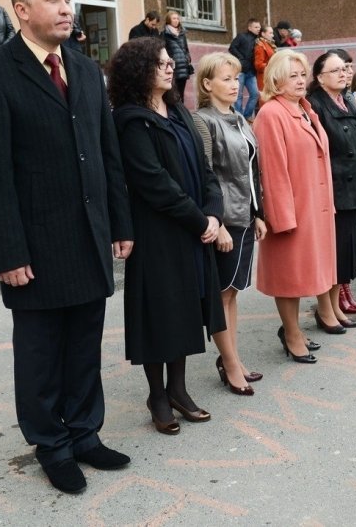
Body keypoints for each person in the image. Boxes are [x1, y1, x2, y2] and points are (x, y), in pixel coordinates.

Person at [0, 0, 134, 494]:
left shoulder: (84, 70)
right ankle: (52, 446)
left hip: (88, 236)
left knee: (84, 344)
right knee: (40, 355)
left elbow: (108, 154)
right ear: (22, 10)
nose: (67, 8)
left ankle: (84, 434)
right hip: (34, 245)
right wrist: (7, 252)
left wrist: (120, 222)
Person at [109, 38, 226, 434]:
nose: (168, 66)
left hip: (193, 229)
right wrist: (200, 221)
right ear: (138, 70)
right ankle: (157, 394)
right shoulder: (130, 120)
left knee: (187, 310)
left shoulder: (178, 112)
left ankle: (179, 388)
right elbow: (153, 183)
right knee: (160, 314)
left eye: (168, 61)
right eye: (159, 62)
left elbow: (205, 168)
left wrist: (213, 213)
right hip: (158, 233)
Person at [253, 49, 336, 363]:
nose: (301, 81)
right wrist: (283, 218)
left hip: (314, 207)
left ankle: (296, 331)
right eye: (294, 76)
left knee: (305, 273)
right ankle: (290, 333)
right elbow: (271, 171)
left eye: (303, 75)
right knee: (289, 278)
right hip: (293, 210)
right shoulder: (271, 114)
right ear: (276, 79)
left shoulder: (305, 108)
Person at [192, 52, 266, 395]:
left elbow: (252, 171)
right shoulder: (203, 121)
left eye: (236, 78)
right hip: (225, 219)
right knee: (222, 295)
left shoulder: (239, 118)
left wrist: (258, 213)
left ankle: (231, 357)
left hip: (244, 217)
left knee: (233, 294)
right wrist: (217, 222)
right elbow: (204, 175)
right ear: (207, 84)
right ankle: (230, 363)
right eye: (226, 78)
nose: (234, 85)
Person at [307, 51, 356, 329]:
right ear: (320, 77)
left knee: (345, 254)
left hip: (353, 187)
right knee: (331, 254)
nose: (343, 74)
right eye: (335, 71)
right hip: (332, 189)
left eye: (344, 70)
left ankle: (335, 306)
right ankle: (325, 310)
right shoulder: (315, 105)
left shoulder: (347, 101)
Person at [228, 18, 261, 119]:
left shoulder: (259, 40)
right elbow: (232, 48)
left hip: (251, 72)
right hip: (241, 71)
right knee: (238, 95)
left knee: (255, 94)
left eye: (259, 27)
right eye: (256, 27)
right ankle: (239, 117)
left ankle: (246, 117)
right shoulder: (241, 36)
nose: (258, 29)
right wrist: (241, 58)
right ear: (249, 27)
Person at [162, 10, 192, 99]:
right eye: (174, 18)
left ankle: (181, 111)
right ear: (169, 20)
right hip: (173, 67)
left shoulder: (182, 33)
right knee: (173, 92)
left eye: (177, 18)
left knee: (181, 93)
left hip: (184, 66)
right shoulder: (164, 34)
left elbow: (186, 49)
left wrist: (188, 58)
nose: (176, 20)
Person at [253, 24, 276, 96]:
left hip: (270, 76)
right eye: (270, 33)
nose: (273, 35)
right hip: (264, 78)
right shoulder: (260, 46)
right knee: (265, 99)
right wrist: (271, 66)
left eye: (272, 33)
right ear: (263, 34)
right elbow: (258, 65)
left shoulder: (269, 44)